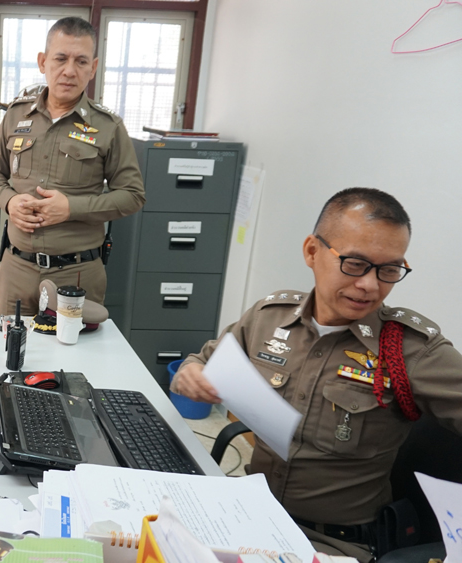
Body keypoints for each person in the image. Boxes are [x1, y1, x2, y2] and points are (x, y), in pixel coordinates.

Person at [171, 188, 462, 561]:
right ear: (312, 251)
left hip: (331, 544)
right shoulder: (269, 317)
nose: (370, 285)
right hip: (249, 516)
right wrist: (192, 374)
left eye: (389, 270)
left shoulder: (411, 349)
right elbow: (198, 362)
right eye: (355, 264)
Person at [0, 16, 146, 317]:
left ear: (93, 68)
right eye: (61, 58)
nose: (69, 71)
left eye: (81, 61)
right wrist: (10, 200)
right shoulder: (17, 116)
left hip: (77, 274)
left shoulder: (108, 126)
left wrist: (72, 208)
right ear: (43, 62)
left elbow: (133, 195)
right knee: (10, 354)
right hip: (16, 269)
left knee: (73, 361)